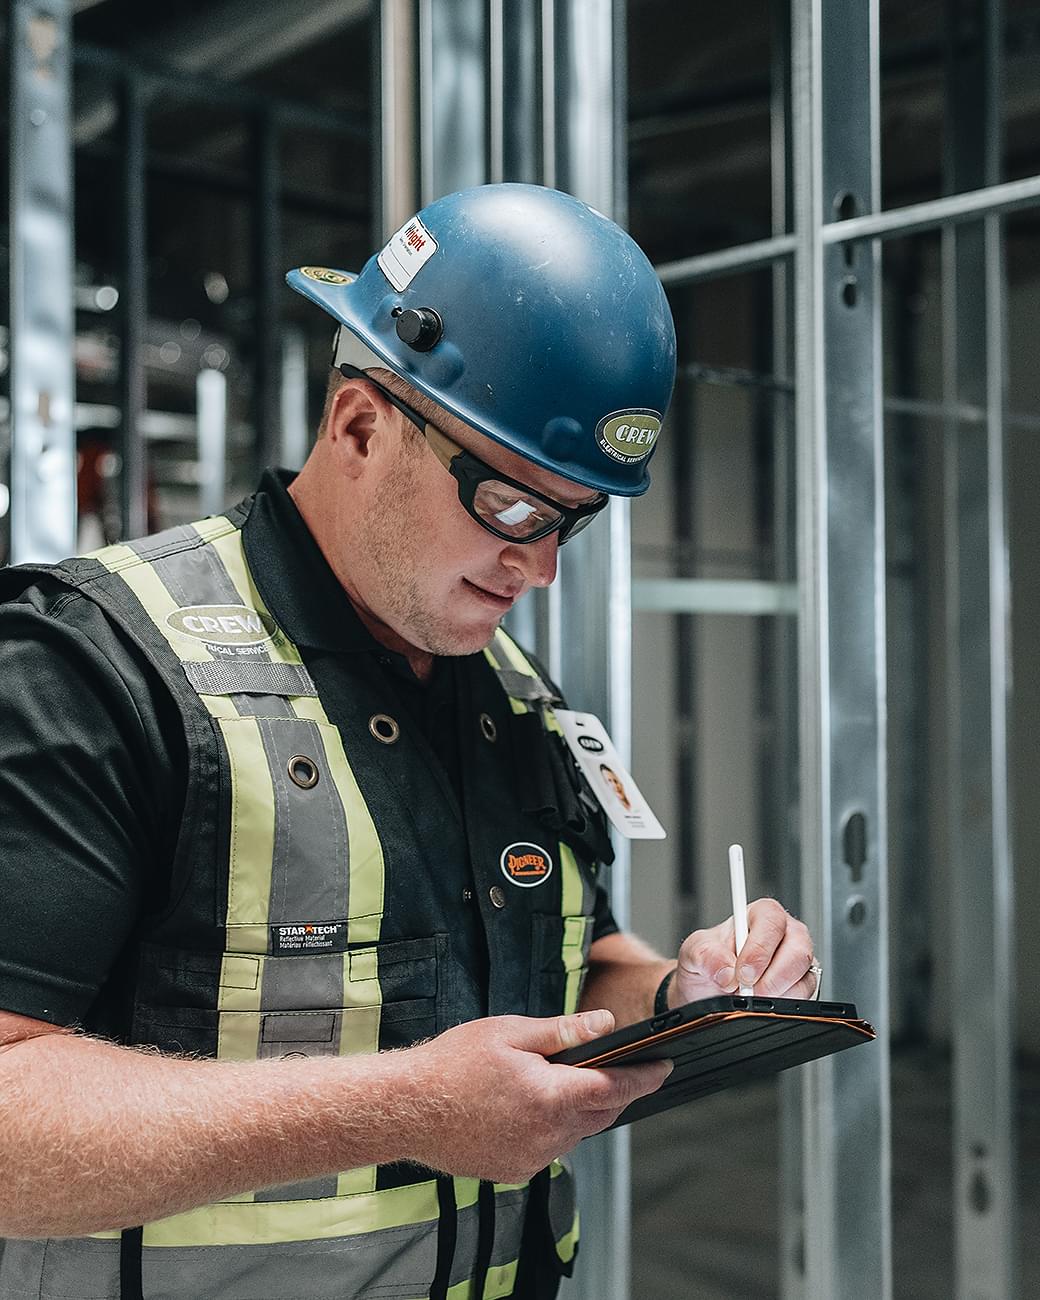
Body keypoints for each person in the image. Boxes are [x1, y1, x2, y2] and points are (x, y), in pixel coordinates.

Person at [0, 184, 818, 1300]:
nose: (537, 568)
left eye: (571, 519)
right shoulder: (97, 666)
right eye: (508, 506)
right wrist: (400, 1107)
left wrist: (679, 994)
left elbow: (575, 965)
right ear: (359, 425)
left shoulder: (513, 695)